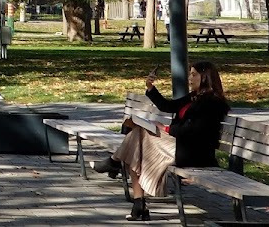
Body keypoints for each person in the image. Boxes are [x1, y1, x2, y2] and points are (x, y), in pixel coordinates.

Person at [92, 63, 230, 222]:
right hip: (180, 145)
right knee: (137, 142)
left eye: (194, 75)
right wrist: (151, 88)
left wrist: (165, 129)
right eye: (190, 74)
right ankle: (136, 199)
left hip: (194, 153)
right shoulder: (194, 96)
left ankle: (116, 165)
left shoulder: (213, 103)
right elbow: (168, 106)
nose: (190, 78)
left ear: (205, 78)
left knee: (137, 141)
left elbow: (194, 130)